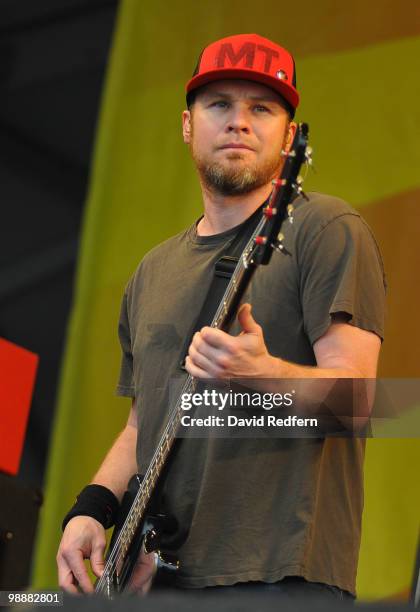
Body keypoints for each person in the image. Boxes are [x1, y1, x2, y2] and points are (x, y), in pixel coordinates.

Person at [56, 33, 386, 601]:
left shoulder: (326, 228)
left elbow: (358, 404)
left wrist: (263, 375)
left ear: (289, 136)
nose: (239, 122)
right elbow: (143, 427)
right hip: (158, 582)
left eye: (262, 108)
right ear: (188, 126)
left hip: (278, 574)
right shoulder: (151, 271)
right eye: (220, 105)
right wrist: (90, 510)